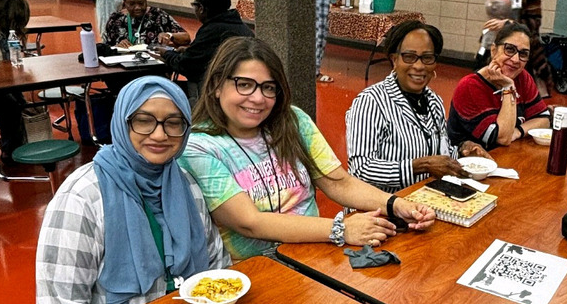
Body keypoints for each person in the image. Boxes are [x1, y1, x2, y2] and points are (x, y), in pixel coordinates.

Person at [178, 36, 436, 262]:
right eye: (244, 84)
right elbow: (250, 222)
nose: (257, 98)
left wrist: (396, 205)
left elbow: (338, 182)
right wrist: (340, 229)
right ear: (216, 85)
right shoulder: (199, 145)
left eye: (268, 87)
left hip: (314, 254)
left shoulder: (292, 121)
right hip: (253, 272)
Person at [36, 75, 227, 304]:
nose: (159, 135)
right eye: (144, 120)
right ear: (122, 123)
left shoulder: (186, 186)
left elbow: (217, 268)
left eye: (173, 123)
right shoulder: (82, 197)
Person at [346, 20, 492, 193]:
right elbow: (361, 169)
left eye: (427, 58)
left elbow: (440, 152)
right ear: (394, 60)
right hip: (382, 204)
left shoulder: (434, 101)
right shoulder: (371, 102)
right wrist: (421, 166)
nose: (419, 66)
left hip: (424, 199)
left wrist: (463, 151)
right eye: (409, 56)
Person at [448, 22, 551, 149]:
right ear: (493, 50)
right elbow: (502, 138)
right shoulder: (470, 86)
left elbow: (544, 119)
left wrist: (518, 131)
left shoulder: (523, 78)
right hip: (469, 159)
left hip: (505, 155)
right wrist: (508, 87)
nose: (515, 59)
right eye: (509, 49)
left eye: (523, 54)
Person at [150, 0, 253, 102]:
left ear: (201, 8)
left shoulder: (212, 30)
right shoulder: (239, 26)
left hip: (217, 94)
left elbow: (186, 65)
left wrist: (166, 54)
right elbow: (207, 53)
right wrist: (189, 51)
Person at [0, 0, 30, 161]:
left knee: (13, 105)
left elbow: (8, 70)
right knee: (9, 104)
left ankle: (12, 152)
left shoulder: (1, 35)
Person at [103, 0, 190, 48]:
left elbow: (186, 37)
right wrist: (117, 47)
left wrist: (170, 35)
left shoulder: (158, 15)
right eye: (132, 4)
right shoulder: (115, 20)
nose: (137, 7)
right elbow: (106, 48)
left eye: (141, 3)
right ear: (124, 2)